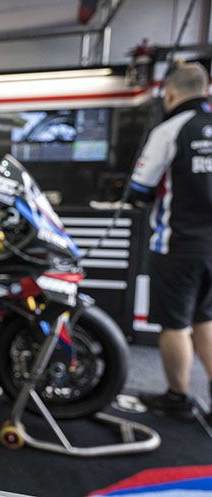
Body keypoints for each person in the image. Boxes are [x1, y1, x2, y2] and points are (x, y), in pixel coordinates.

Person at [129, 63, 212, 420]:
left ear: (171, 94)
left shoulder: (170, 129)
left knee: (175, 324)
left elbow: (139, 190)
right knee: (205, 320)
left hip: (178, 244)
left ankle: (178, 398)